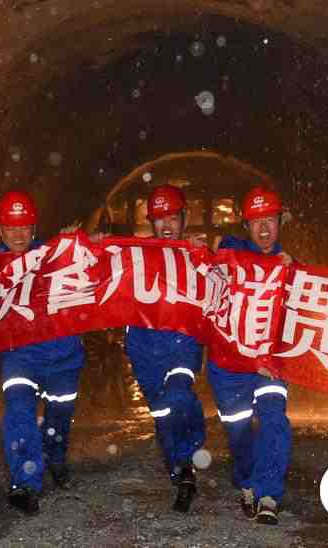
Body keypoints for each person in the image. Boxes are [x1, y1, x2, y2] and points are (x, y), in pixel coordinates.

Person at [0, 190, 85, 515]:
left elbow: (97, 266)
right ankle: (25, 482)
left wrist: (91, 244)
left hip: (64, 355)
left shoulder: (56, 256)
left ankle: (55, 459)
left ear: (34, 228)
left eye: (24, 226)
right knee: (20, 413)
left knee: (58, 418)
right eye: (10, 226)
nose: (18, 234)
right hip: (20, 357)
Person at [208, 186, 293, 525]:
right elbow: (224, 255)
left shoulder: (290, 268)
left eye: (270, 221)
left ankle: (269, 494)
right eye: (256, 222)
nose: (263, 229)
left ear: (280, 223)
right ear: (246, 226)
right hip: (230, 363)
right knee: (239, 431)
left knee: (274, 419)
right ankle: (246, 482)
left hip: (269, 364)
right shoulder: (232, 250)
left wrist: (292, 270)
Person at [123, 184, 207, 512]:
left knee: (179, 395)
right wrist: (89, 244)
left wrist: (204, 257)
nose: (167, 225)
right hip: (144, 347)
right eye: (160, 219)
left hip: (181, 343)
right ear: (151, 222)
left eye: (173, 217)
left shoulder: (197, 254)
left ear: (184, 218)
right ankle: (178, 466)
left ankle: (187, 462)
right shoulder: (132, 255)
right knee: (162, 413)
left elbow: (234, 267)